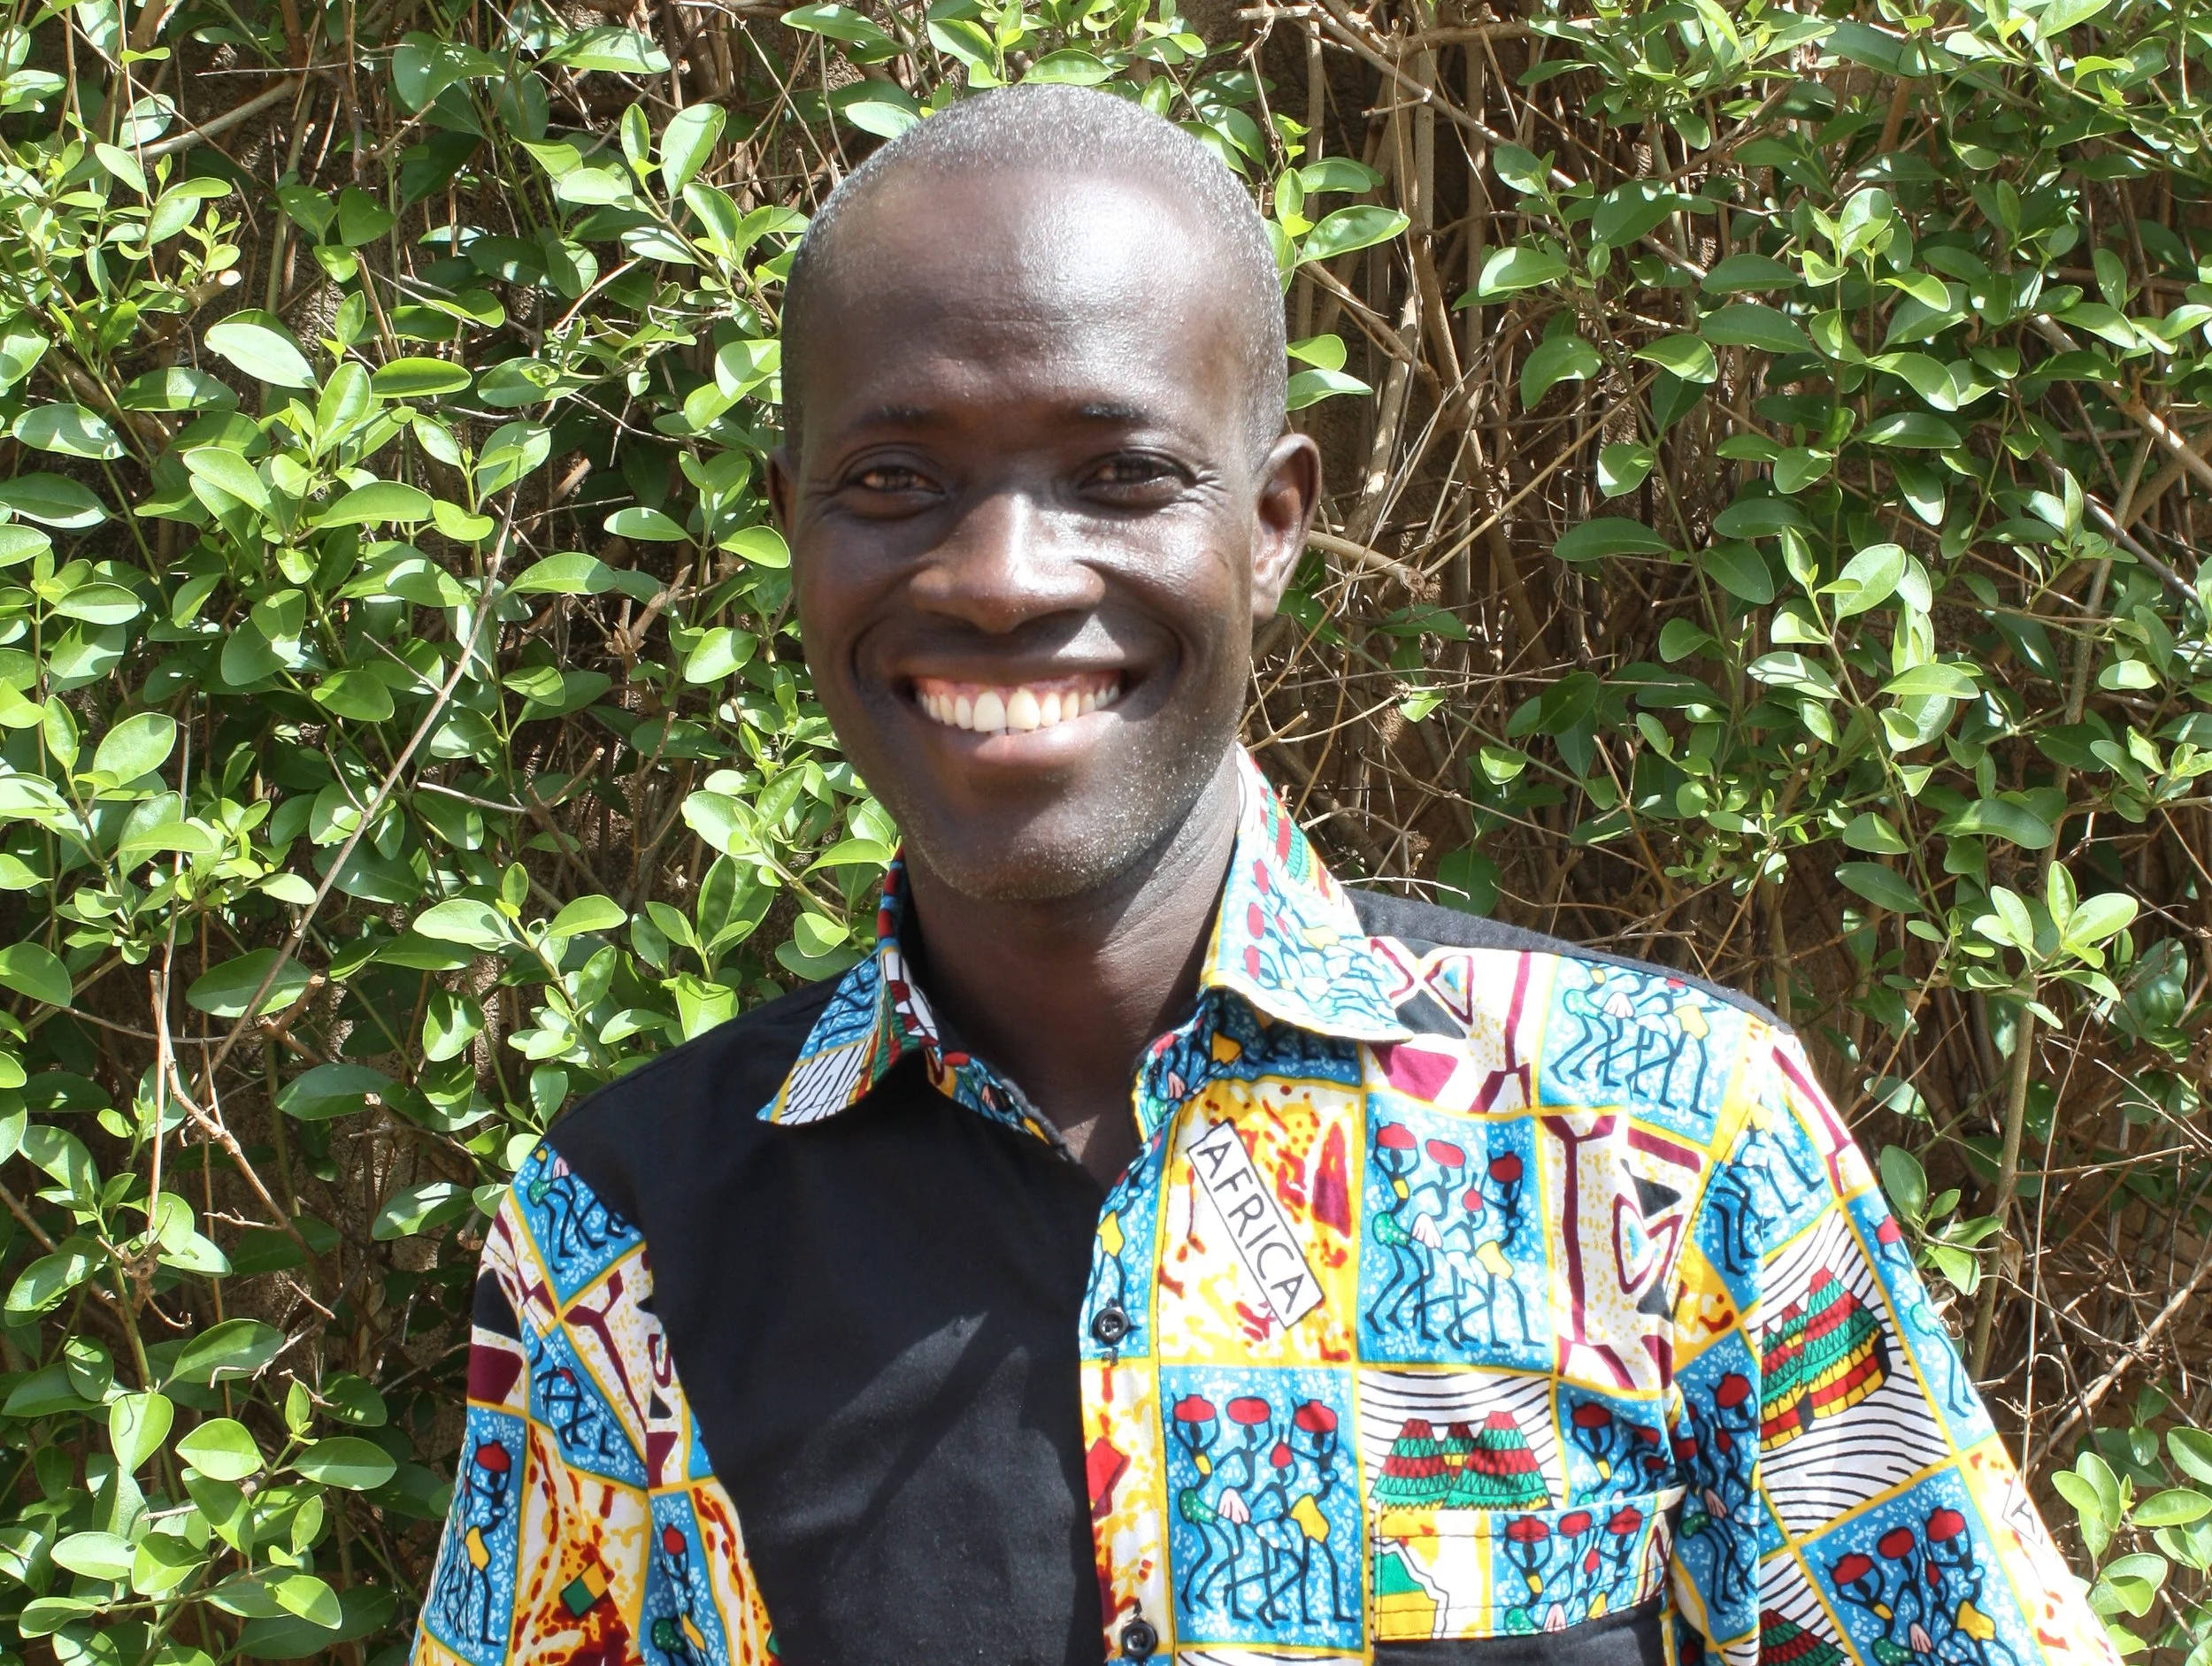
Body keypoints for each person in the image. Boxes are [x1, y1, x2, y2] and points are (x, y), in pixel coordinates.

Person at [409, 88, 2115, 1666]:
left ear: (1275, 521)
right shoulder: (622, 1244)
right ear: (795, 524)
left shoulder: (1666, 1136)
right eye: (895, 480)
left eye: (1121, 475)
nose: (1002, 576)